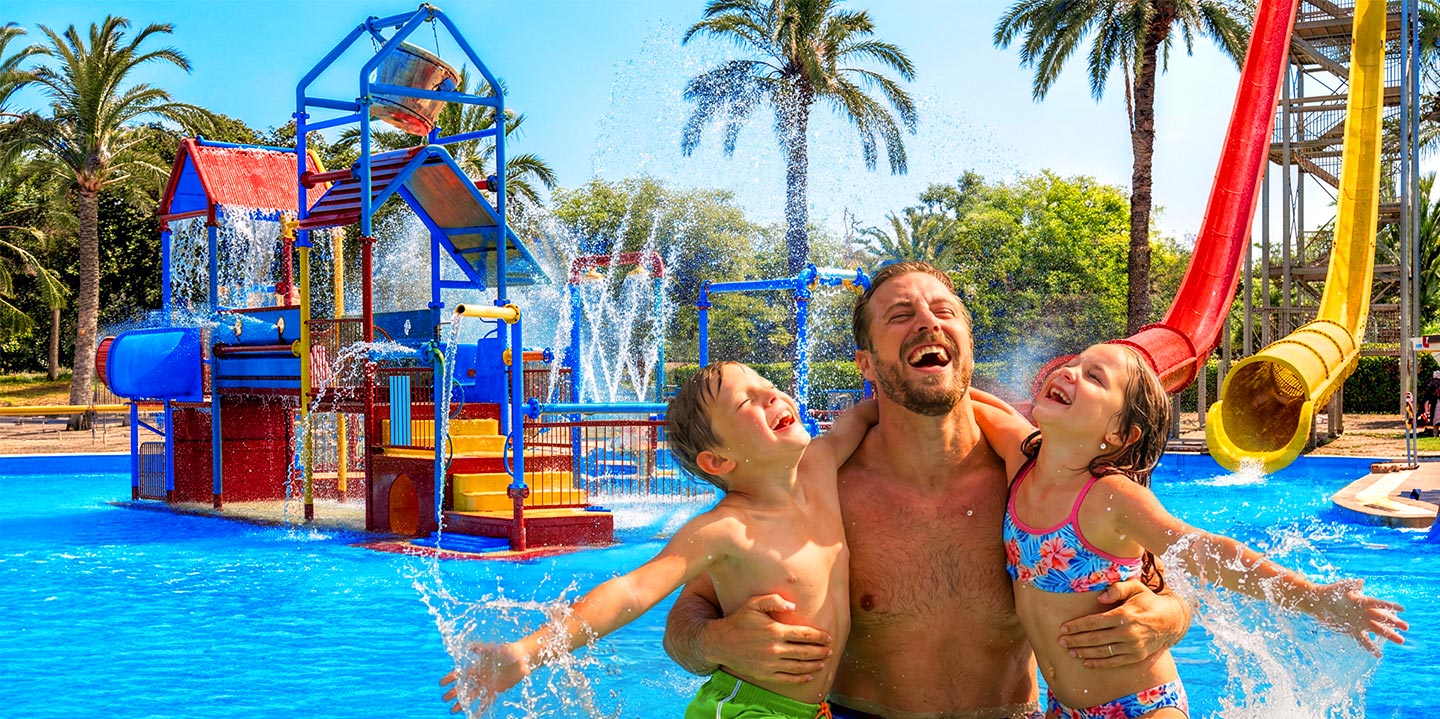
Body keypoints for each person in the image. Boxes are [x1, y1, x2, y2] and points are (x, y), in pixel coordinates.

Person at [665, 262, 1193, 719]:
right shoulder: (819, 491)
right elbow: (683, 624)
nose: (926, 322)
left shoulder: (1034, 478)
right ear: (866, 363)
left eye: (944, 311)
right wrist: (717, 640)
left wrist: (1170, 618)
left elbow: (1158, 573)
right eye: (900, 316)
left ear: (967, 339)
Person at [971, 342, 1408, 718]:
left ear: (1120, 433)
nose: (1069, 371)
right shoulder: (1020, 459)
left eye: (1094, 376)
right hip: (1063, 706)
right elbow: (963, 399)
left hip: (1141, 703)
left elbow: (1205, 551)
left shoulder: (1110, 497)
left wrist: (1314, 598)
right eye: (1076, 363)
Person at [440, 361, 877, 718]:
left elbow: (864, 414)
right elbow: (634, 589)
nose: (772, 396)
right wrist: (527, 651)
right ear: (718, 460)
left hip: (810, 711)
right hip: (746, 707)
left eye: (769, 385)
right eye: (748, 400)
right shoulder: (726, 528)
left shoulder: (821, 464)